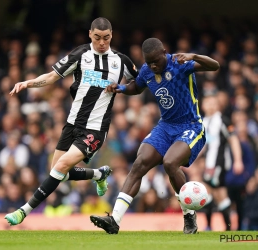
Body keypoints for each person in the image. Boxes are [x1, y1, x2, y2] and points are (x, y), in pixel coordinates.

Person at [4, 17, 138, 225]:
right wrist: (27, 83)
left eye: (106, 38)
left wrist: (122, 88)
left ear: (111, 35)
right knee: (58, 171)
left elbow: (138, 84)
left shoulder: (121, 61)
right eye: (97, 38)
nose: (102, 42)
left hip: (95, 129)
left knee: (62, 166)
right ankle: (98, 174)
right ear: (90, 35)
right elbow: (51, 77)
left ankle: (24, 210)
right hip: (72, 124)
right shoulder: (80, 55)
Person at [90, 37, 220, 234]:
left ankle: (189, 217)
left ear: (164, 52)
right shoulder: (147, 70)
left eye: (156, 61)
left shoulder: (180, 63)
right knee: (139, 163)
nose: (153, 66)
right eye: (149, 62)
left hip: (190, 126)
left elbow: (215, 65)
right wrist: (122, 88)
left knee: (170, 163)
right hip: (165, 126)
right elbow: (137, 86)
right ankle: (114, 220)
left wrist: (193, 55)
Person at [200, 91, 244, 231]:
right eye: (208, 103)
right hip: (208, 165)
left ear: (218, 105)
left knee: (217, 194)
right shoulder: (203, 122)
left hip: (219, 164)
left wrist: (238, 160)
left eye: (214, 103)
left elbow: (234, 140)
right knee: (211, 194)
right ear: (202, 105)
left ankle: (225, 227)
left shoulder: (223, 120)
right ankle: (216, 226)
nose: (211, 106)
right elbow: (202, 145)